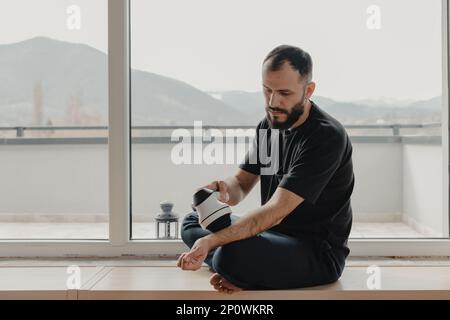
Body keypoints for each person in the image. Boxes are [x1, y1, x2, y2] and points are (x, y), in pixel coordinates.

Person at [177, 45, 355, 294]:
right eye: (267, 90)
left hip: (317, 254)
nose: (273, 102)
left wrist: (212, 241)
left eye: (284, 93)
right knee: (192, 221)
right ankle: (239, 269)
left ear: (309, 90)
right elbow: (241, 184)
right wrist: (223, 190)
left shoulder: (326, 137)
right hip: (272, 237)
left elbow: (276, 212)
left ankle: (232, 265)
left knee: (229, 252)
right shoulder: (269, 125)